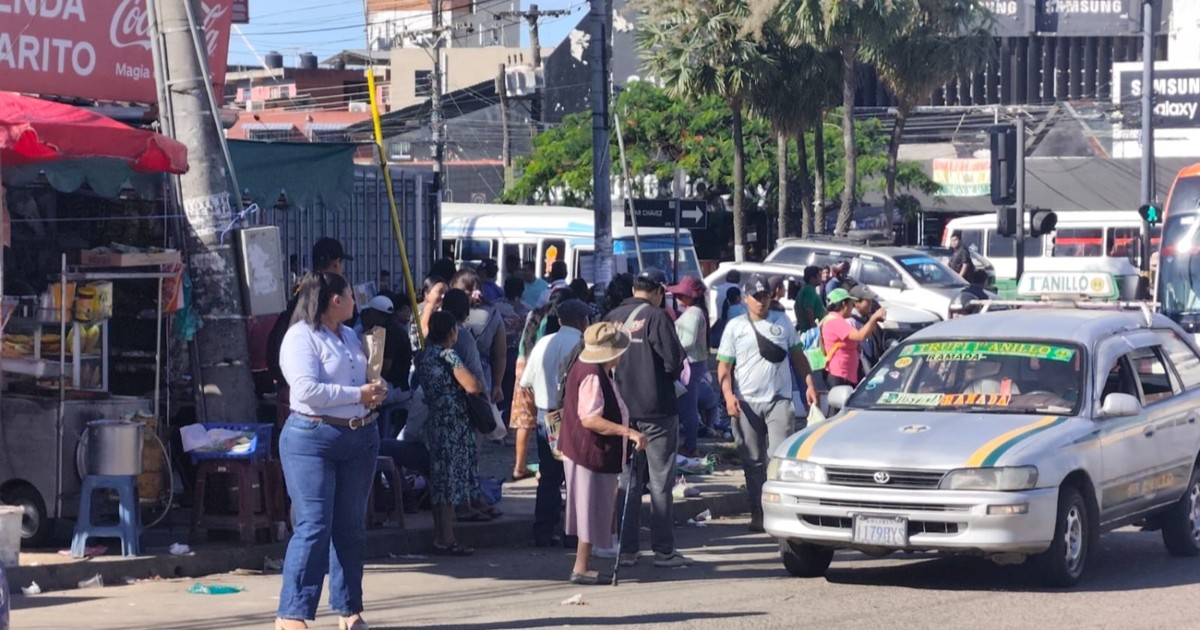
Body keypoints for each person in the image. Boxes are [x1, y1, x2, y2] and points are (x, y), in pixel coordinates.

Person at [275, 272, 386, 630]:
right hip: (313, 439)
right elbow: (306, 390)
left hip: (360, 436)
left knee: (350, 527)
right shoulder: (300, 337)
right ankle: (291, 613)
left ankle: (349, 609)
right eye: (351, 295)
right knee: (313, 525)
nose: (356, 302)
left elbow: (359, 380)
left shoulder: (350, 335)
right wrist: (357, 395)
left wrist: (375, 389)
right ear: (335, 300)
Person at [717, 273, 818, 533]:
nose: (761, 301)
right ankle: (757, 512)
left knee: (778, 458)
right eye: (756, 296)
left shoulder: (782, 321)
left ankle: (781, 513)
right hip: (746, 403)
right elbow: (724, 367)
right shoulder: (735, 327)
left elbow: (798, 356)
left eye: (765, 296)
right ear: (746, 298)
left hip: (779, 401)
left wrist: (809, 384)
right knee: (753, 462)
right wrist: (728, 396)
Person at [605, 268, 691, 569]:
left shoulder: (611, 317)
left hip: (621, 412)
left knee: (627, 482)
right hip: (657, 410)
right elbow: (674, 361)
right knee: (660, 481)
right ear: (659, 291)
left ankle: (627, 550)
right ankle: (664, 551)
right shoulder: (656, 317)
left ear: (633, 288)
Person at [559, 322, 647, 585]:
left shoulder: (593, 369)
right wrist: (628, 432)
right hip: (589, 450)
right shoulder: (592, 374)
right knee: (589, 508)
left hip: (587, 450)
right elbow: (590, 418)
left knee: (591, 508)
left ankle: (584, 565)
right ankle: (581, 567)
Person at [519, 299, 591, 547]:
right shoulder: (582, 345)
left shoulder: (543, 343)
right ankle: (573, 534)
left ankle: (543, 530)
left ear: (559, 320)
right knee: (576, 476)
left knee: (549, 475)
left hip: (547, 415)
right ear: (583, 321)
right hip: (574, 416)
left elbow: (526, 382)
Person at [416, 310, 486, 556]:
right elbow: (472, 386)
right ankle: (447, 538)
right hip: (452, 425)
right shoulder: (448, 355)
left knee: (440, 482)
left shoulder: (424, 356)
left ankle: (441, 536)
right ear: (451, 332)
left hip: (435, 422)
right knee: (449, 483)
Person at [267, 238, 353, 428]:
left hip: (297, 396)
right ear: (336, 264)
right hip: (314, 414)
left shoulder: (299, 298)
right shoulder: (331, 308)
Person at [439, 289, 499, 521]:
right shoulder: (459, 339)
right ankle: (465, 503)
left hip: (456, 405)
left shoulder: (445, 343)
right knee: (465, 458)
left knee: (466, 459)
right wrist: (482, 393)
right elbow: (473, 379)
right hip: (466, 404)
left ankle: (473, 498)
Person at [668, 275, 717, 458]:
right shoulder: (697, 312)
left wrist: (670, 348)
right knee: (689, 404)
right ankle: (690, 444)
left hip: (689, 364)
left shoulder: (693, 314)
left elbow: (687, 341)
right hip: (694, 363)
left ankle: (690, 445)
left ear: (691, 296)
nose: (677, 298)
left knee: (687, 406)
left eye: (681, 295)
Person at [451, 269, 506, 405]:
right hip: (482, 373)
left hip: (450, 373)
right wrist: (497, 385)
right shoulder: (493, 314)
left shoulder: (446, 313)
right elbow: (500, 354)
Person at [822, 288, 886, 388]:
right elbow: (860, 336)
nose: (853, 307)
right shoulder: (835, 322)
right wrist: (874, 318)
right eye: (851, 304)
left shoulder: (835, 320)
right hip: (839, 373)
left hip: (845, 374)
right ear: (844, 304)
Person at [794, 265, 827, 333]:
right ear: (812, 278)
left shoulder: (806, 289)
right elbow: (808, 308)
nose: (821, 277)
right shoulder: (809, 290)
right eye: (819, 275)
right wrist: (813, 327)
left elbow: (796, 307)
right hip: (810, 330)